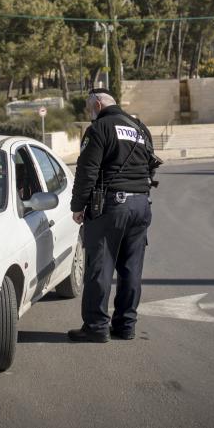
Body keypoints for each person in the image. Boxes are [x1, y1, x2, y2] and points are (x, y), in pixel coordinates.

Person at [67, 88, 160, 343]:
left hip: (111, 206)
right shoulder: (140, 128)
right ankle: (126, 326)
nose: (90, 114)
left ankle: (96, 327)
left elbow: (87, 171)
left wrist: (78, 206)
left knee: (100, 268)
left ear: (97, 104)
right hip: (141, 204)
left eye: (89, 108)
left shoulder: (99, 129)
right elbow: (151, 165)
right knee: (131, 269)